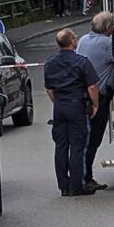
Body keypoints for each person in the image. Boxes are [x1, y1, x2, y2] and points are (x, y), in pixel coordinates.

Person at [44, 28, 99, 196]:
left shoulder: (50, 63)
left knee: (61, 146)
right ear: (72, 42)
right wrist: (95, 104)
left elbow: (49, 89)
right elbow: (92, 86)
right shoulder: (82, 62)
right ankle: (77, 185)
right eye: (75, 38)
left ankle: (64, 186)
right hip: (77, 106)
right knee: (77, 146)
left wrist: (58, 102)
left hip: (59, 107)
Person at [76, 12, 114, 191]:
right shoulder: (108, 44)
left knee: (84, 138)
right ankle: (86, 178)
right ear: (109, 28)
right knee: (93, 139)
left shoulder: (84, 40)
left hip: (81, 95)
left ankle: (80, 176)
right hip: (98, 98)